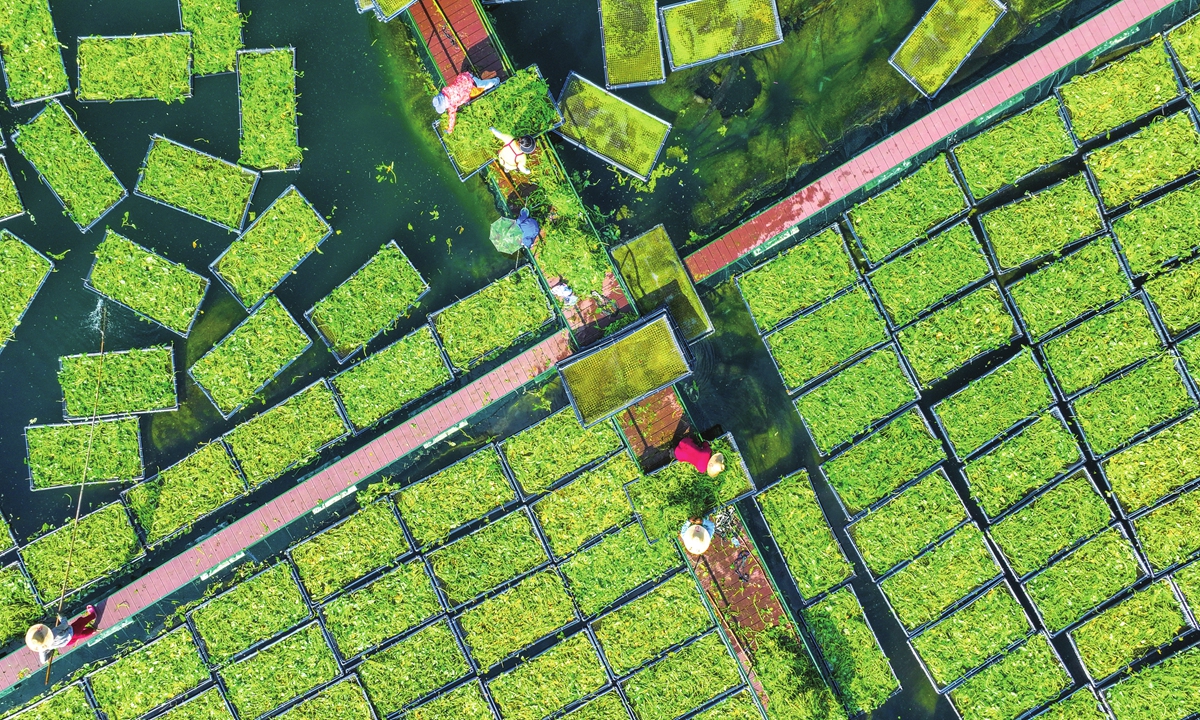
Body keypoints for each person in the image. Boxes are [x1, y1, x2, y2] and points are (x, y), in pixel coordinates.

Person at [26, 605, 98, 665]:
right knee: (81, 621)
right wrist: (62, 617)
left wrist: (50, 653)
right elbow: (65, 625)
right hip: (72, 631)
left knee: (81, 635)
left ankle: (92, 631)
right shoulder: (54, 632)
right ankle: (93, 615)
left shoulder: (43, 649)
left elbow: (43, 661)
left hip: (67, 642)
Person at [432, 72, 500, 134]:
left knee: (483, 86)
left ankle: (496, 81)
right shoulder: (446, 90)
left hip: (471, 86)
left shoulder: (451, 105)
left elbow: (452, 117)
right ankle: (476, 77)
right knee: (478, 85)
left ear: (444, 104)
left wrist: (450, 129)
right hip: (464, 76)